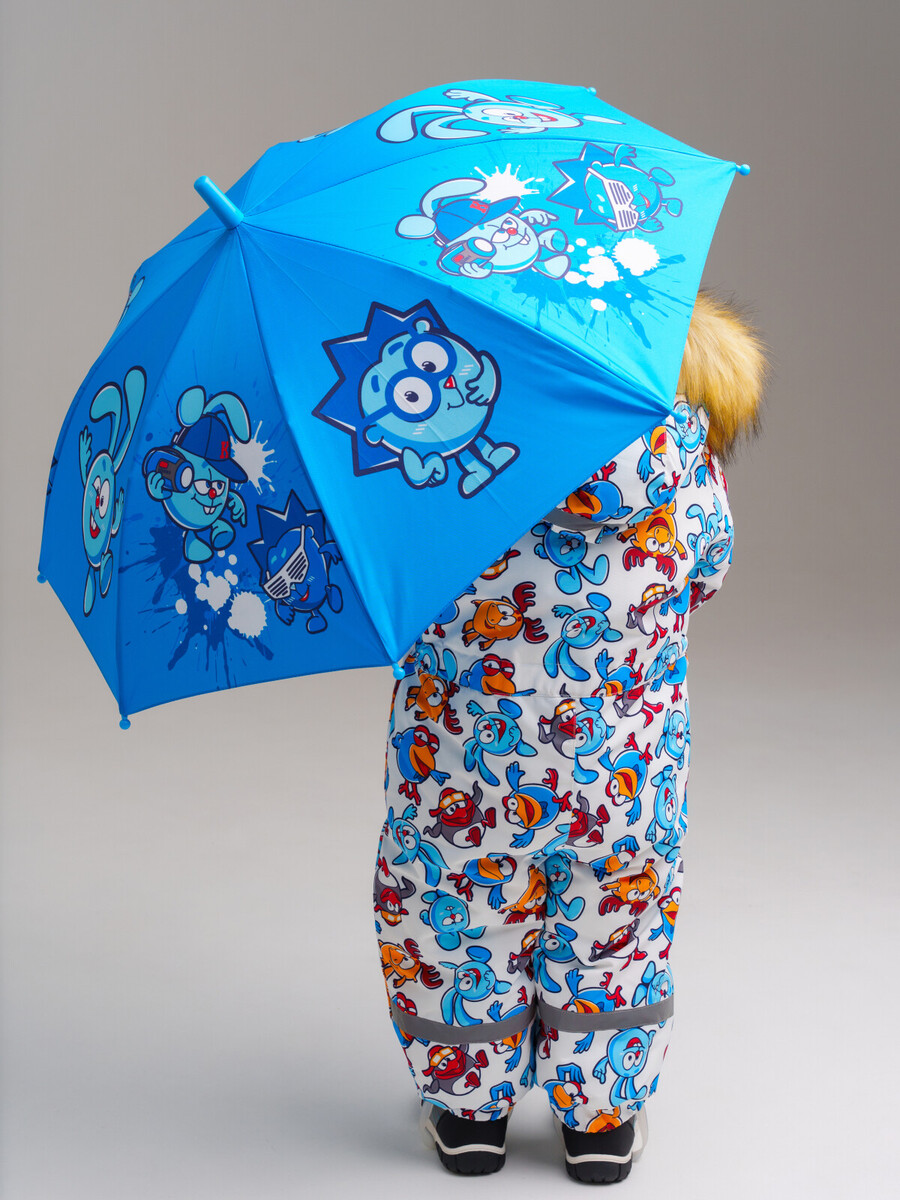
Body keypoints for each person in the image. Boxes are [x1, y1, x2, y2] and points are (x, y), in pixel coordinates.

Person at [373, 291, 766, 1184]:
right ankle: (600, 1126)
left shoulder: (438, 461)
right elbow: (707, 573)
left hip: (462, 777)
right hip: (624, 772)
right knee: (616, 926)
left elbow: (393, 584)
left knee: (455, 920)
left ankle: (469, 1116)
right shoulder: (682, 456)